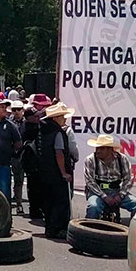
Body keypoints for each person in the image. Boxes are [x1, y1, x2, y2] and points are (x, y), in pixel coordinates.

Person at [37, 102, 77, 239]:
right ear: (55, 118)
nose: (64, 119)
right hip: (57, 174)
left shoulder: (41, 131)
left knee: (48, 202)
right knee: (60, 202)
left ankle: (50, 228)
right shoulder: (58, 133)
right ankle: (58, 228)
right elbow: (59, 153)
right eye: (62, 117)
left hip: (44, 173)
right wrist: (64, 173)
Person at [83, 134, 136, 219]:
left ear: (110, 149)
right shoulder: (90, 160)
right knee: (93, 207)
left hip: (116, 191)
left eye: (101, 148)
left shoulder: (122, 159)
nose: (98, 151)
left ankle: (135, 230)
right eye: (97, 148)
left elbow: (129, 179)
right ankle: (87, 231)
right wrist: (104, 196)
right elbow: (90, 181)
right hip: (97, 193)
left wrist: (120, 195)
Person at [8, 100, 27, 207]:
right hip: (12, 154)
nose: (16, 112)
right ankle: (16, 202)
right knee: (14, 179)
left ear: (22, 110)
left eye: (18, 109)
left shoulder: (27, 122)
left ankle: (20, 202)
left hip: (24, 153)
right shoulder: (9, 123)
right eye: (14, 110)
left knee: (20, 179)